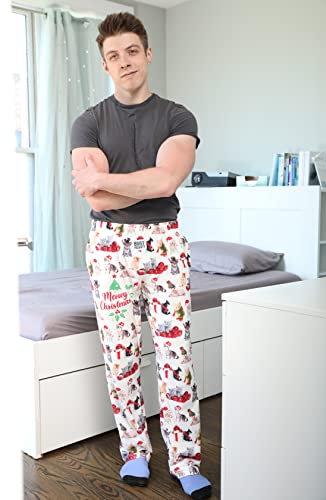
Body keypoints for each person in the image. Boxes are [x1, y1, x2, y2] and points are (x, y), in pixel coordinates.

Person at [70, 12, 212, 500]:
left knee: (176, 353)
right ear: (105, 64)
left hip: (164, 242)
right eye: (114, 56)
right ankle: (135, 449)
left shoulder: (177, 117)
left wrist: (109, 181)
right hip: (108, 248)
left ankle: (185, 457)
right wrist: (137, 183)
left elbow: (166, 181)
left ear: (147, 54)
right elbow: (95, 202)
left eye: (132, 51)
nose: (125, 62)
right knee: (121, 355)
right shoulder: (88, 121)